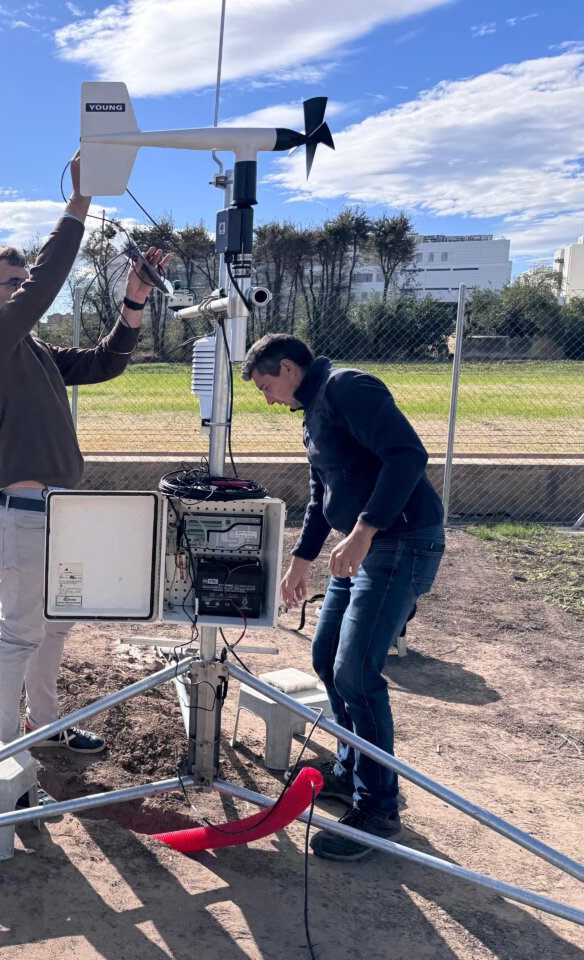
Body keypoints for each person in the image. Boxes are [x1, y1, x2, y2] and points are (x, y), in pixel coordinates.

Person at [0, 151, 171, 802]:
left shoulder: (34, 351)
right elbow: (48, 283)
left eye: (24, 279)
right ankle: (3, 763)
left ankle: (43, 727)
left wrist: (133, 303)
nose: (25, 288)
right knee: (19, 633)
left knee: (54, 628)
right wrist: (78, 205)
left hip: (61, 514)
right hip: (24, 515)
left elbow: (106, 363)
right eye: (13, 283)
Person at [242, 333, 445, 861]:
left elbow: (408, 455)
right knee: (326, 657)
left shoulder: (346, 388)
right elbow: (322, 492)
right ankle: (350, 768)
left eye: (266, 387)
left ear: (289, 368)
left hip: (399, 543)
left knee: (356, 672)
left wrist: (364, 530)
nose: (268, 400)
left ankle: (378, 808)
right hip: (365, 544)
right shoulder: (313, 411)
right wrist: (300, 559)